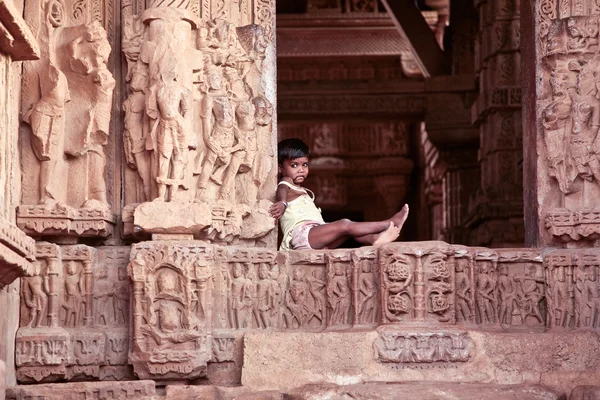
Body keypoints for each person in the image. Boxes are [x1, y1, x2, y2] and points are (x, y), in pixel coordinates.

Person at [269, 138, 409, 251]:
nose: (301, 170)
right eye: (294, 165)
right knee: (344, 224)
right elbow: (282, 189)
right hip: (302, 235)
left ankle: (374, 239)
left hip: (315, 233)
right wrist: (283, 203)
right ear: (280, 168)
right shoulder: (286, 182)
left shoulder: (300, 189)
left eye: (304, 165)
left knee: (350, 232)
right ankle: (388, 223)